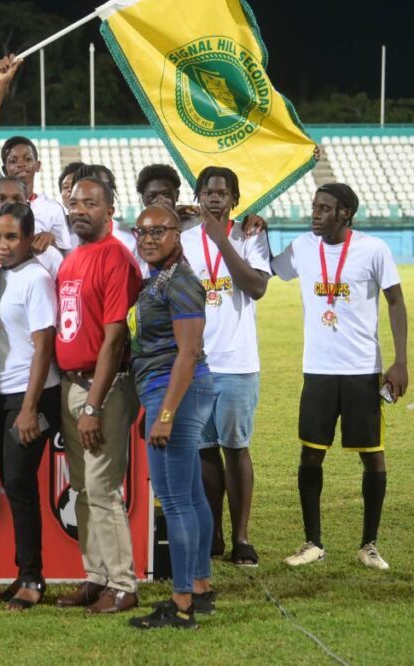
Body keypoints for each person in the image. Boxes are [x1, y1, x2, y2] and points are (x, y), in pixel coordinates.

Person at [272, 183, 407, 571]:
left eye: (324, 208)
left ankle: (369, 544)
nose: (315, 213)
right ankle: (312, 542)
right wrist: (252, 228)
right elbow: (266, 269)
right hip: (317, 369)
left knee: (372, 455)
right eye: (314, 207)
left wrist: (400, 361)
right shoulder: (302, 247)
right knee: (310, 453)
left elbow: (396, 301)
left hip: (362, 369)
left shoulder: (373, 249)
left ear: (345, 213)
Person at [54, 176, 142, 614]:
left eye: (90, 203)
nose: (79, 210)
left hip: (100, 389)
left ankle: (124, 583)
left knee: (103, 487)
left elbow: (113, 340)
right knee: (83, 488)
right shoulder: (73, 259)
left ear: (109, 210)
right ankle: (96, 577)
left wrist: (93, 404)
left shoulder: (117, 258)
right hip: (71, 383)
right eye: (74, 203)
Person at [126, 204, 216, 630]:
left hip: (175, 392)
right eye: (141, 232)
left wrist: (164, 414)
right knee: (192, 493)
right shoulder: (163, 277)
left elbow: (189, 351)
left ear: (177, 235)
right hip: (177, 391)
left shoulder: (180, 281)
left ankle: (180, 603)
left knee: (176, 500)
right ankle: (199, 587)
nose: (147, 238)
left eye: (158, 231)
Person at [182, 167, 270, 566]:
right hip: (196, 362)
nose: (215, 199)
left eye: (223, 193)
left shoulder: (251, 235)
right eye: (208, 192)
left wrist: (223, 241)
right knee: (203, 452)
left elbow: (255, 287)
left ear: (235, 198)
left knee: (236, 449)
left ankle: (242, 537)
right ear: (198, 196)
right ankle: (213, 533)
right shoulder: (183, 241)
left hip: (236, 361)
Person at [0, 202, 60, 610]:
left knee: (19, 484)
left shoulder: (37, 280)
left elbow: (44, 348)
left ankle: (32, 577)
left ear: (30, 239)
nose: (3, 244)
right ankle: (23, 571)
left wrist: (30, 409)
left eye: (12, 237)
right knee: (15, 485)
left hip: (31, 395)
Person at [0, 55, 70, 251]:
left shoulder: (52, 208)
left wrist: (51, 239)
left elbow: (66, 257)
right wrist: (1, 84)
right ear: (4, 168)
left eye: (28, 159)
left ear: (38, 166)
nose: (21, 164)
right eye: (13, 160)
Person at [0, 176, 63, 278]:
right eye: (1, 199)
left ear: (27, 205)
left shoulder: (47, 253)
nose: (10, 204)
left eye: (17, 199)